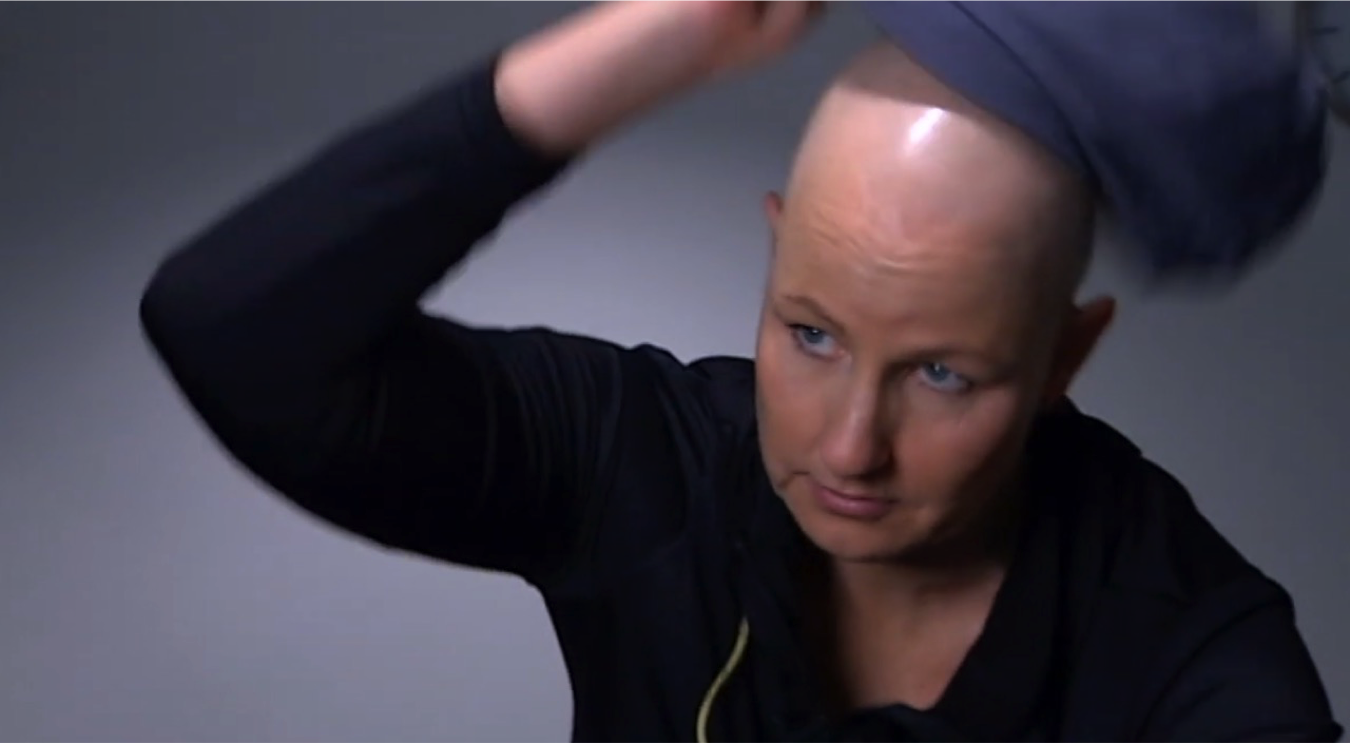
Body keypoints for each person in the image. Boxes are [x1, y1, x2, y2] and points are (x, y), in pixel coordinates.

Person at [139, 0, 1341, 741]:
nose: (848, 444)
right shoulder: (646, 457)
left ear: (1062, 356)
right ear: (775, 254)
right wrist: (666, 33)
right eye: (811, 332)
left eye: (941, 373)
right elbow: (234, 329)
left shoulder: (1188, 642)